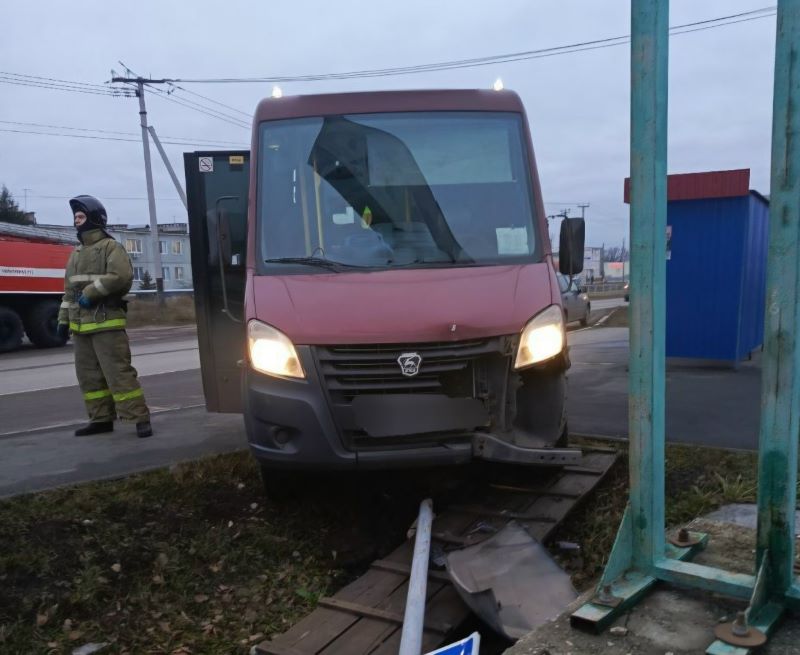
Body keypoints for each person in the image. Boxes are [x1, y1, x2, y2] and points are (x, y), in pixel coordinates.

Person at [57, 195, 153, 438]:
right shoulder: (76, 253)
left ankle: (139, 419)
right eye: (75, 218)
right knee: (89, 378)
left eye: (80, 217)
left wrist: (91, 292)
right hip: (80, 328)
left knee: (118, 373)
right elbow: (68, 292)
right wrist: (63, 320)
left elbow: (120, 276)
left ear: (94, 218)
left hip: (106, 323)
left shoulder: (111, 247)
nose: (76, 222)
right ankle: (100, 419)